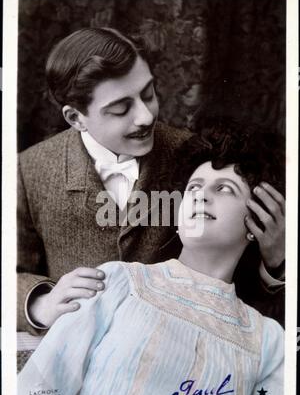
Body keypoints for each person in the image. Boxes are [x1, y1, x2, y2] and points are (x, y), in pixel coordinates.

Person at [17, 27, 285, 338]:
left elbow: (234, 268)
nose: (145, 116)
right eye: (120, 109)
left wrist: (276, 263)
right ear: (75, 118)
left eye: (148, 94)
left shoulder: (195, 156)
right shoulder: (29, 170)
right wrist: (39, 303)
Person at [18, 124, 284, 395]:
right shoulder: (117, 283)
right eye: (193, 187)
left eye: (224, 189)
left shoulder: (267, 342)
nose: (200, 195)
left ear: (258, 220)